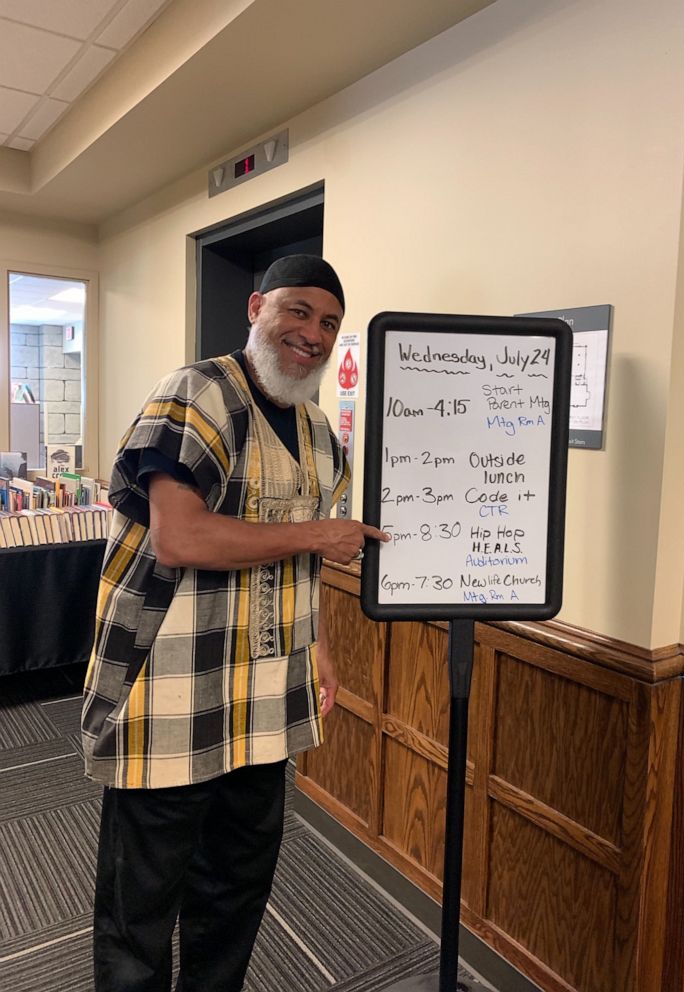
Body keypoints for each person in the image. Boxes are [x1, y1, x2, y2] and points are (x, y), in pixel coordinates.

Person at [81, 254, 389, 992]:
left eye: (328, 323)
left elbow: (298, 561)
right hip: (171, 688)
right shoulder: (197, 393)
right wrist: (319, 535)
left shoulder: (318, 432)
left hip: (263, 698)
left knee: (235, 890)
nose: (312, 333)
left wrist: (317, 647)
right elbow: (180, 538)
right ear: (255, 309)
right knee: (142, 904)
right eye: (297, 311)